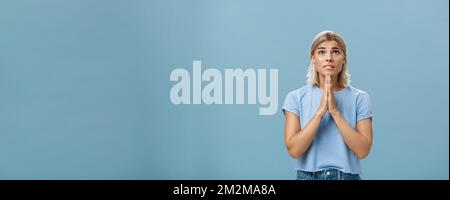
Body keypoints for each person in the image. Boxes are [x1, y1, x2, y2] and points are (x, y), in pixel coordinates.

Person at [282, 30, 373, 180]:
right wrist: (320, 112)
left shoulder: (360, 98)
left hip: (347, 176)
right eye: (322, 52)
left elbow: (363, 151)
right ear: (313, 58)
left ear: (344, 58)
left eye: (335, 52)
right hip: (307, 176)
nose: (329, 58)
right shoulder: (295, 98)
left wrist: (335, 112)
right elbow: (294, 150)